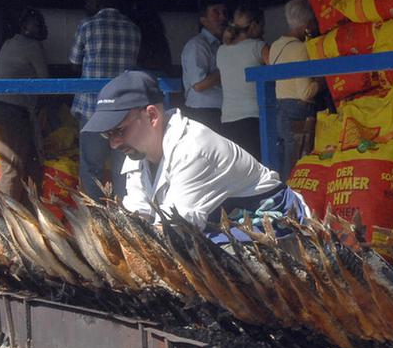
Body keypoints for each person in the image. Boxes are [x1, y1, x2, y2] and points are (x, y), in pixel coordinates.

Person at [81, 71, 309, 244]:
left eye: (119, 131)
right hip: (214, 221)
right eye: (107, 134)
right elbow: (138, 215)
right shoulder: (136, 150)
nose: (113, 143)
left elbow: (174, 230)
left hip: (272, 221)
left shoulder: (194, 149)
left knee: (200, 262)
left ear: (151, 116)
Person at [70, 0, 142, 201]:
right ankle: (125, 216)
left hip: (93, 109)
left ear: (97, 2)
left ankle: (95, 220)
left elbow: (73, 60)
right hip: (125, 111)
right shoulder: (133, 28)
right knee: (124, 168)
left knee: (92, 167)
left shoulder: (87, 26)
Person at [0, 7, 49, 204]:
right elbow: (45, 81)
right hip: (12, 110)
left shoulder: (8, 43)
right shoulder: (32, 46)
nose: (38, 28)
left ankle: (27, 218)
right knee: (12, 169)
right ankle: (6, 222)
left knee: (30, 165)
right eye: (36, 24)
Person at [269, 0, 321, 180]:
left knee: (285, 164)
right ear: (308, 24)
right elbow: (305, 93)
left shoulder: (276, 45)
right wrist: (322, 81)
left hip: (280, 109)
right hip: (298, 112)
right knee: (298, 166)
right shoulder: (301, 49)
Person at [216, 6, 269, 161]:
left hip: (227, 119)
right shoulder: (258, 47)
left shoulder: (221, 51)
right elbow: (278, 71)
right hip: (254, 117)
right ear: (253, 26)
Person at [180, 1, 228, 132]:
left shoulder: (223, 45)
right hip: (203, 113)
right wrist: (228, 69)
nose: (223, 17)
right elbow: (199, 85)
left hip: (220, 111)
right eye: (216, 12)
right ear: (203, 20)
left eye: (224, 13)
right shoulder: (197, 45)